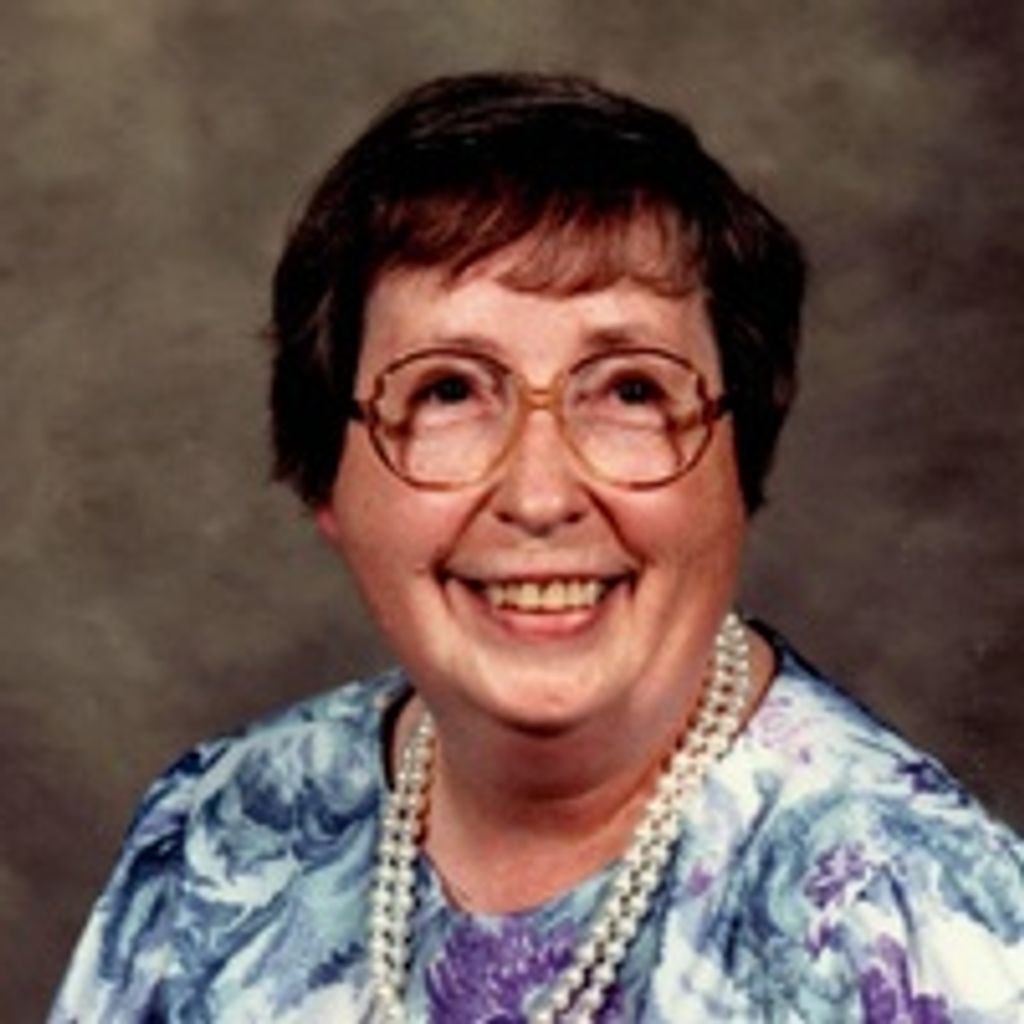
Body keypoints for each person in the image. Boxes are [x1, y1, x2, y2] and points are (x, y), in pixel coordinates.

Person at [51, 72, 1021, 1023]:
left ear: (739, 461)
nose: (540, 495)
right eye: (447, 391)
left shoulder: (909, 921)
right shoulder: (218, 837)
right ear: (327, 479)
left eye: (632, 391)